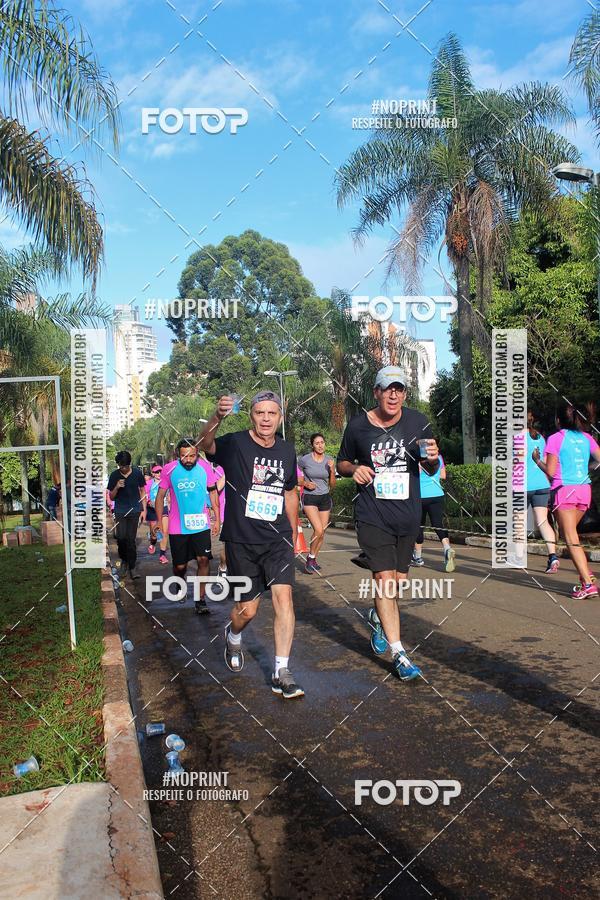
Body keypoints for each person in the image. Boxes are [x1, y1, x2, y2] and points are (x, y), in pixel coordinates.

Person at [199, 390, 304, 699]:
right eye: (260, 413)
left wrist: (294, 533)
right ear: (252, 416)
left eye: (272, 413)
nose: (266, 419)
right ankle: (232, 635)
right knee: (248, 611)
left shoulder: (287, 450)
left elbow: (289, 492)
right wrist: (217, 417)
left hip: (277, 539)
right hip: (242, 540)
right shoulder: (234, 444)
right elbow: (204, 444)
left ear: (280, 418)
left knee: (285, 599)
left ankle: (281, 670)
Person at [337, 366, 440, 681]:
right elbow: (341, 462)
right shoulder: (357, 426)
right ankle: (400, 654)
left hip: (407, 516)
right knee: (383, 579)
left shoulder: (418, 422)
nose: (393, 394)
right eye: (387, 388)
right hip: (372, 515)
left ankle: (378, 618)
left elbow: (431, 467)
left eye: (399, 389)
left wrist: (433, 458)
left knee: (397, 582)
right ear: (376, 392)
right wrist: (353, 469)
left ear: (404, 394)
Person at [533, 401, 600, 599]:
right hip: (584, 491)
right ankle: (586, 574)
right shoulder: (586, 437)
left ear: (558, 420)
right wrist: (587, 468)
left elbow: (551, 472)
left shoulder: (556, 438)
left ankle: (588, 584)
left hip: (565, 491)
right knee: (569, 535)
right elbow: (599, 460)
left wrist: (537, 460)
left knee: (571, 539)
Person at [155, 438, 220, 614]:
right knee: (180, 566)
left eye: (192, 455)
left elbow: (213, 492)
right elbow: (160, 497)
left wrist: (217, 518)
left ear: (197, 454)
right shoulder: (170, 469)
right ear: (178, 455)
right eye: (184, 456)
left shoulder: (205, 467)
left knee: (204, 560)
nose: (188, 460)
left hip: (201, 524)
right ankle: (179, 581)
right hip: (178, 526)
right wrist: (160, 522)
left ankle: (200, 600)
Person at [412, 445, 455, 572]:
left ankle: (418, 557)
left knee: (419, 525)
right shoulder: (439, 457)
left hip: (420, 496)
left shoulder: (416, 459)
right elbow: (443, 475)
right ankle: (447, 547)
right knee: (438, 524)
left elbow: (415, 476)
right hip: (437, 494)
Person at [526, 410, 559, 574]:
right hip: (541, 484)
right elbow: (545, 462)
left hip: (522, 486)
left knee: (517, 521)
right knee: (542, 522)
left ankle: (517, 558)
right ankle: (553, 557)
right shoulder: (540, 437)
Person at [297, 433, 336, 574]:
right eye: (317, 443)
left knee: (322, 532)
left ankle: (312, 559)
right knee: (318, 529)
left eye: (322, 442)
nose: (320, 445)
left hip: (324, 498)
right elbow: (295, 477)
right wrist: (306, 483)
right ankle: (310, 558)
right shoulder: (304, 460)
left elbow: (333, 484)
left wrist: (332, 470)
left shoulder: (329, 460)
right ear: (312, 445)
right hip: (309, 498)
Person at [107, 451, 147, 580]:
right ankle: (124, 560)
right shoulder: (114, 475)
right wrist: (117, 487)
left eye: (125, 466)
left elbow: (142, 491)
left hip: (134, 511)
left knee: (131, 540)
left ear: (129, 464)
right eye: (120, 466)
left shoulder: (137, 473)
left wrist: (144, 510)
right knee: (121, 538)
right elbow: (111, 497)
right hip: (120, 511)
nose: (123, 469)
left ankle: (132, 566)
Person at [145, 464, 169, 565]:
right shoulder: (148, 483)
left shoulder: (166, 482)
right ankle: (152, 542)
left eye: (160, 471)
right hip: (152, 509)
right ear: (152, 473)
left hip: (163, 508)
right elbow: (144, 495)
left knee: (165, 531)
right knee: (155, 532)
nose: (159, 474)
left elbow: (170, 495)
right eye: (156, 472)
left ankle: (162, 555)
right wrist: (148, 501)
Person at [212, 463, 228, 577]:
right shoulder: (220, 469)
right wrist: (228, 472)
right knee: (227, 546)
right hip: (226, 514)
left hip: (244, 513)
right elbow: (216, 487)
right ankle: (223, 568)